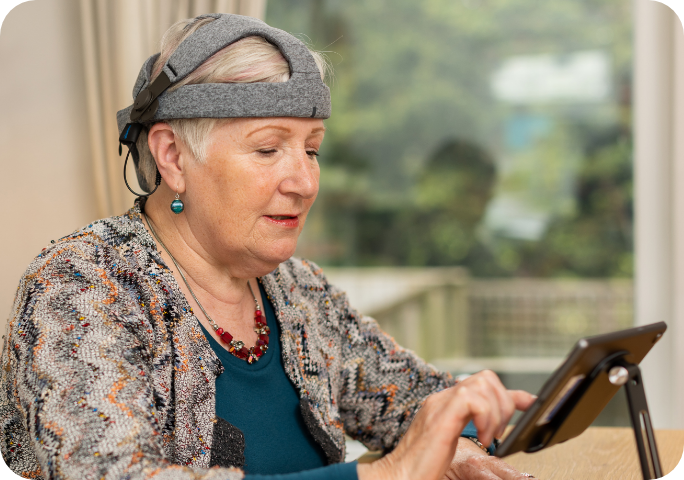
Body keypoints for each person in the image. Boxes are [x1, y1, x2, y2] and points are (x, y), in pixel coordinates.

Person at [0, 14, 536, 480]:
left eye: (312, 148)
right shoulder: (78, 285)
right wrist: (388, 474)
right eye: (268, 148)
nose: (304, 181)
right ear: (172, 156)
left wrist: (466, 432)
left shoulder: (298, 291)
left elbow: (414, 404)